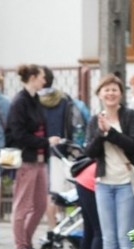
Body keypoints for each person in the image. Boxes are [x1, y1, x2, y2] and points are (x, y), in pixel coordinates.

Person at [84, 74, 134, 249]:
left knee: (125, 238)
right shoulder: (95, 120)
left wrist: (111, 132)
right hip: (103, 184)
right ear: (99, 94)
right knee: (108, 240)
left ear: (121, 93)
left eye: (114, 89)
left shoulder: (129, 116)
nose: (110, 93)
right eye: (106, 90)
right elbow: (90, 152)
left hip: (126, 182)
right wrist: (101, 134)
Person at [7, 64, 60, 249]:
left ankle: (26, 242)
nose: (44, 81)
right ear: (32, 78)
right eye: (41, 77)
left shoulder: (35, 99)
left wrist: (45, 144)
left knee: (39, 205)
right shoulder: (19, 102)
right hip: (26, 160)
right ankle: (21, 247)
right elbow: (18, 134)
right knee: (22, 206)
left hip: (39, 160)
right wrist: (45, 142)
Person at [40, 66, 86, 231]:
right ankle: (71, 228)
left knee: (51, 193)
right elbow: (76, 124)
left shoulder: (35, 101)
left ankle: (53, 230)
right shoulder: (64, 98)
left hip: (42, 150)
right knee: (67, 192)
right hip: (64, 150)